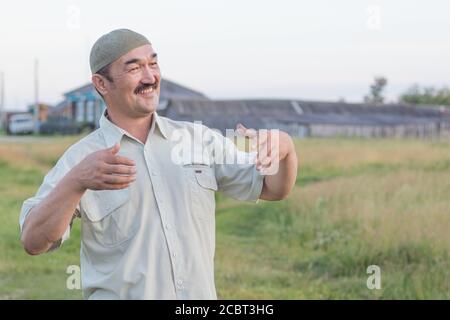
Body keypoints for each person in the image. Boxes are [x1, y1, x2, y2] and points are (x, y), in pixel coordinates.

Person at [19, 29, 298, 299]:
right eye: (134, 68)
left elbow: (272, 189)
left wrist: (284, 149)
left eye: (153, 63)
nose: (150, 77)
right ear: (102, 84)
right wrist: (76, 182)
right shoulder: (80, 158)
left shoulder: (197, 139)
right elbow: (34, 242)